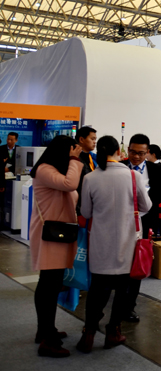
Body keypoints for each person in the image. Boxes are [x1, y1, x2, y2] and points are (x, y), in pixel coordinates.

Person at [76, 136, 151, 353]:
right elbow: (146, 206)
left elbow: (86, 212)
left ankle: (89, 333)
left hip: (101, 242)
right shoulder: (133, 176)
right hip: (128, 243)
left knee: (97, 290)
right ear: (119, 151)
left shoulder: (90, 178)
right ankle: (113, 332)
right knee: (123, 291)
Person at [28, 135, 82, 358]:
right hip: (49, 236)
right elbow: (71, 185)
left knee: (51, 284)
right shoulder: (44, 169)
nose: (74, 155)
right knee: (48, 286)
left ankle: (45, 330)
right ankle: (47, 340)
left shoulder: (56, 171)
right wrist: (75, 160)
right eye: (72, 150)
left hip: (59, 235)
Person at [122, 133, 161, 322]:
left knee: (137, 265)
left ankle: (129, 306)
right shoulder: (120, 167)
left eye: (141, 153)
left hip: (144, 225)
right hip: (121, 224)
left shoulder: (154, 169)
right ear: (128, 150)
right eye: (133, 152)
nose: (136, 156)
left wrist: (149, 200)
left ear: (147, 153)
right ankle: (117, 303)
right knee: (120, 265)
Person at [75, 126, 97, 219]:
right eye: (92, 139)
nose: (94, 142)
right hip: (78, 206)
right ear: (81, 139)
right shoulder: (75, 159)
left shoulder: (92, 157)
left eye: (95, 139)